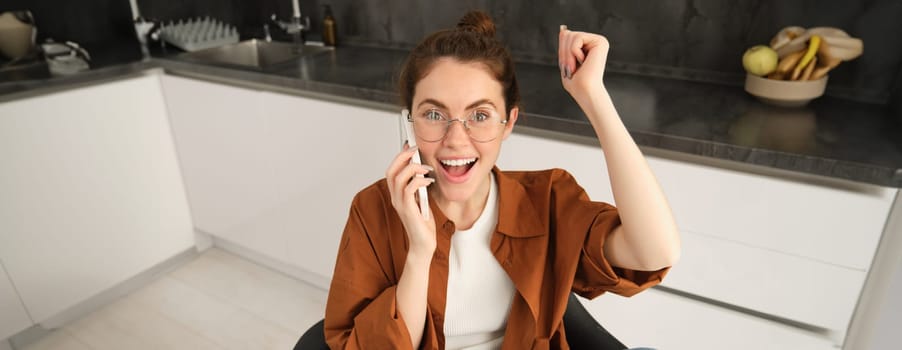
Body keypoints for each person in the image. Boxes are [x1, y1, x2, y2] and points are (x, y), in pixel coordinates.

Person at [323, 10, 680, 350]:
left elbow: (653, 252)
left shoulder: (548, 199)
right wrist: (419, 252)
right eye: (433, 114)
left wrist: (594, 97)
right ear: (409, 121)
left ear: (508, 123)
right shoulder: (373, 211)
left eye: (479, 115)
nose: (455, 139)